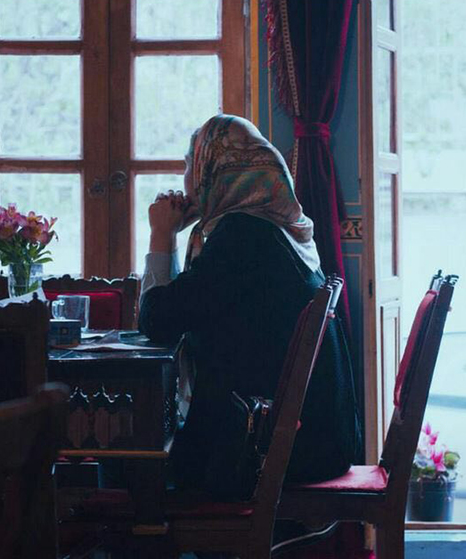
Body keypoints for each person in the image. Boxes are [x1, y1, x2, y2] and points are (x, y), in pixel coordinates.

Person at [139, 114, 361, 500]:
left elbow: (157, 321)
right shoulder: (277, 228)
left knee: (130, 467)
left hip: (274, 453)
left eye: (190, 166)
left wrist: (160, 234)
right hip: (316, 442)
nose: (186, 180)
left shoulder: (242, 237)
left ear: (213, 171)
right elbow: (175, 310)